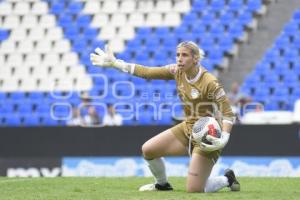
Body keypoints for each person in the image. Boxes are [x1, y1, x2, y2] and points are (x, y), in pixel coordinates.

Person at [90, 41, 240, 193]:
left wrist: (224, 138)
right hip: (187, 127)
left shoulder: (210, 82)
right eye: (178, 55)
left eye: (185, 55)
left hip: (207, 135)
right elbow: (147, 72)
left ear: (195, 59)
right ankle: (162, 184)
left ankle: (228, 179)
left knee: (194, 189)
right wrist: (116, 64)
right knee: (148, 150)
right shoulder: (177, 71)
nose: (179, 59)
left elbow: (228, 113)